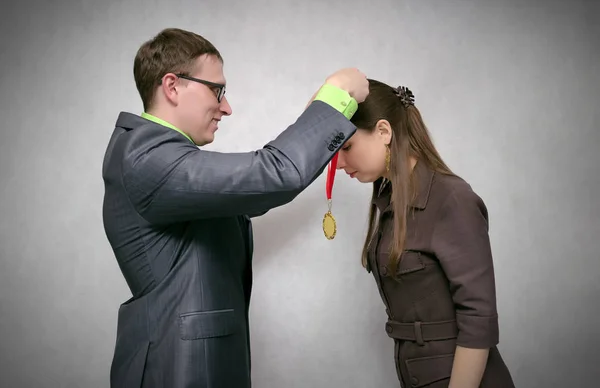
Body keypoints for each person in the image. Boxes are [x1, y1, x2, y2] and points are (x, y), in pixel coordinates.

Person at [101, 27, 368, 388]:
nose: (227, 107)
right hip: (176, 369)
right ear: (172, 86)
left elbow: (253, 190)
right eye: (217, 90)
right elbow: (274, 174)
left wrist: (317, 122)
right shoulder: (147, 158)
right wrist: (338, 92)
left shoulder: (156, 156)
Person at [336, 79, 515, 387]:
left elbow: (478, 319)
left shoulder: (451, 199)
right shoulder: (389, 201)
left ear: (383, 132)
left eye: (347, 147)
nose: (338, 163)